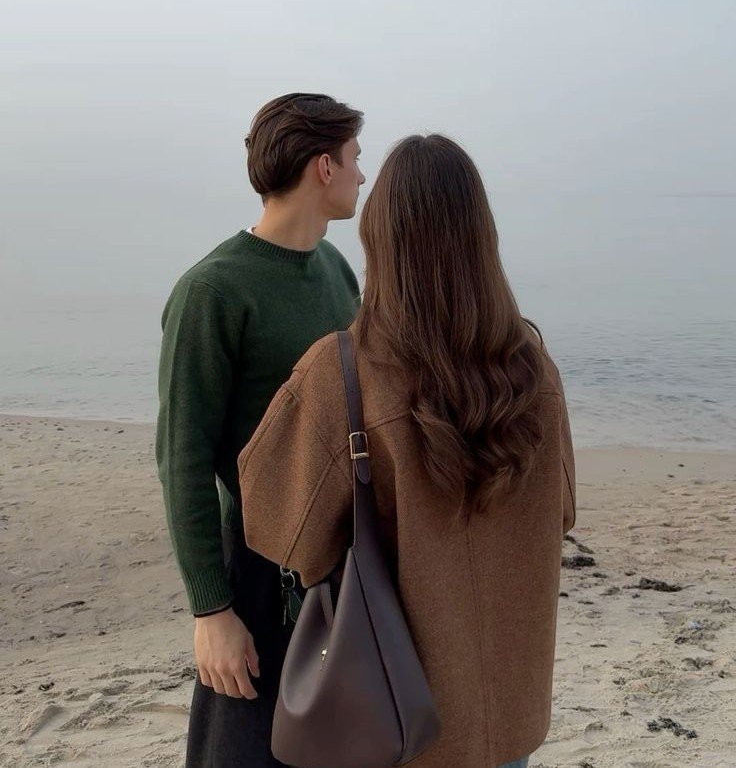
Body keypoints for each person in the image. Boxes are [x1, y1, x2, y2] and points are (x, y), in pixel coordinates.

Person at [238, 134, 576, 768]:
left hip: (398, 713)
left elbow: (281, 529)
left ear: (379, 239)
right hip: (510, 710)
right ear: (484, 235)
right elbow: (560, 509)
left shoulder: (343, 371)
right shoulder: (532, 365)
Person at [155, 92, 365, 768]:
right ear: (322, 167)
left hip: (342, 563)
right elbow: (182, 458)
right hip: (255, 566)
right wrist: (211, 611)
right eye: (356, 158)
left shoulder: (336, 269)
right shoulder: (213, 290)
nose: (363, 175)